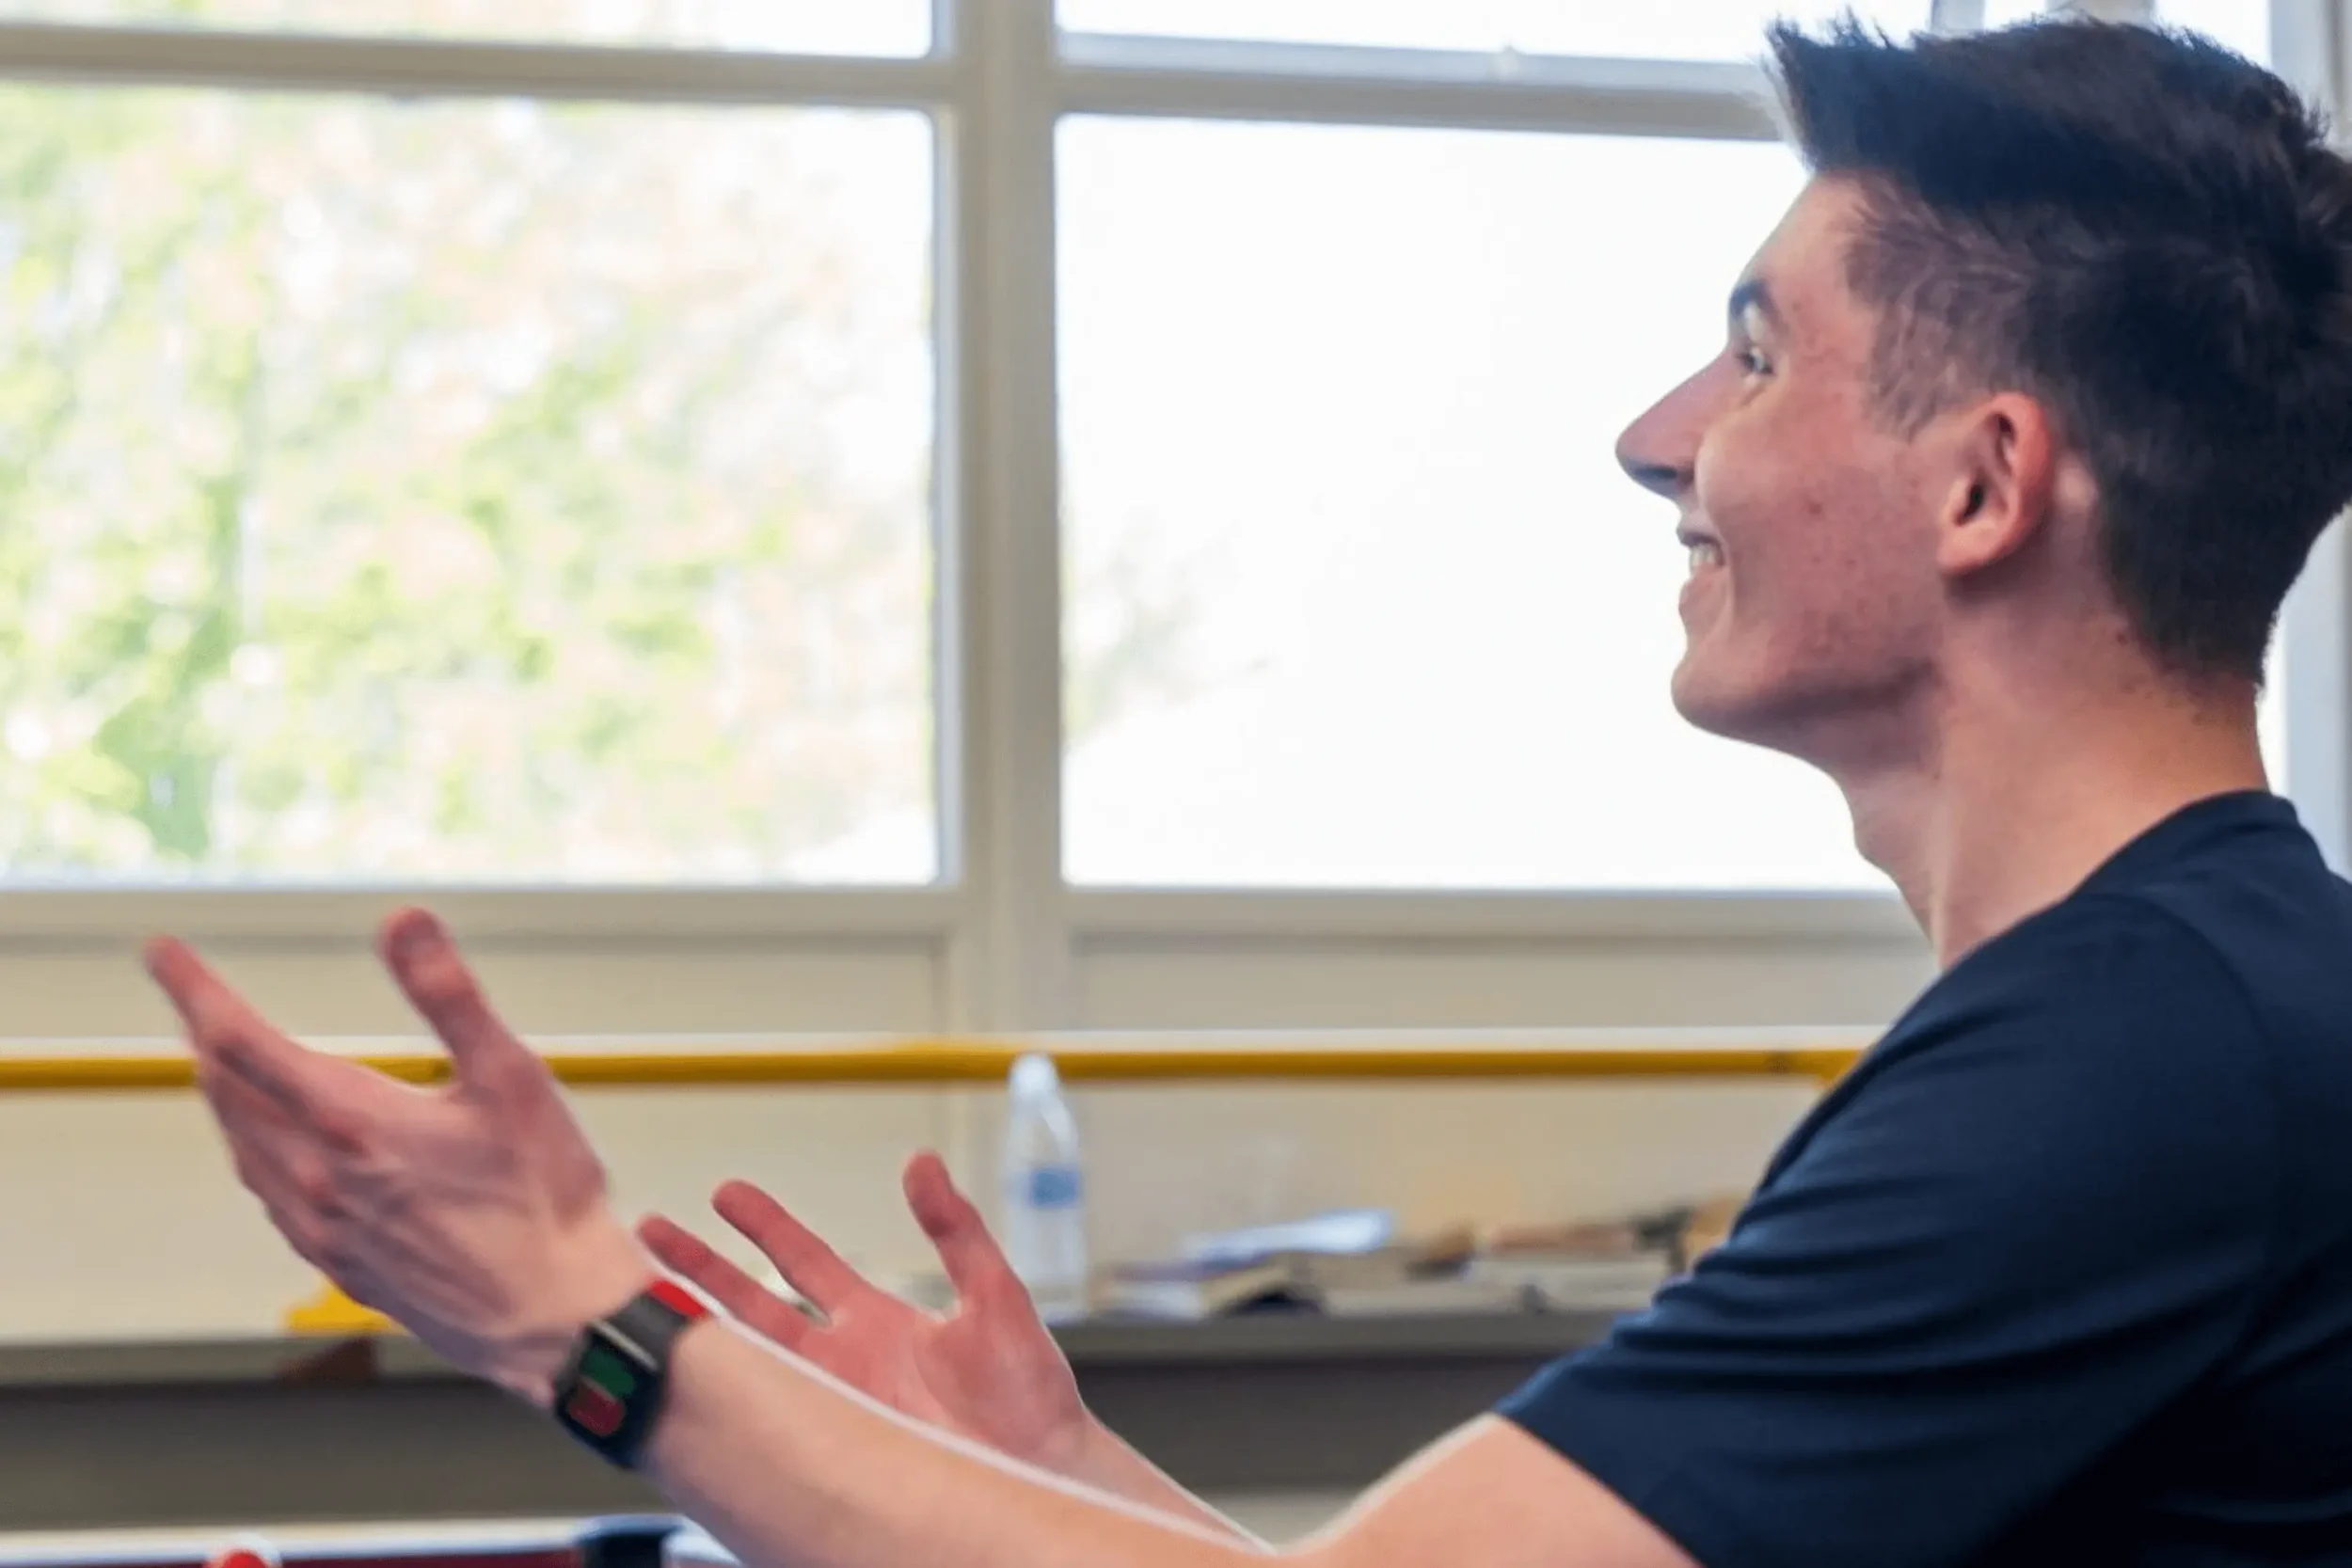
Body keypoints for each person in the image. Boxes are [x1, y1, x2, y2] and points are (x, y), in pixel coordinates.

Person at [143, 15, 2352, 1567]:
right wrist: (1055, 1472)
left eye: (1756, 349)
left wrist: (581, 1323)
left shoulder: (2132, 1057)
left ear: (1982, 487)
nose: (1654, 433)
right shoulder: (2170, 1010)